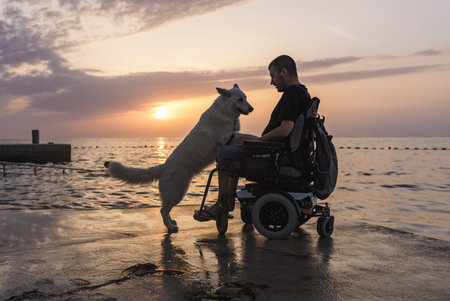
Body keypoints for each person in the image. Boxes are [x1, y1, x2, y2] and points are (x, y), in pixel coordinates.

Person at [194, 55, 311, 221]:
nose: (272, 82)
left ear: (284, 72)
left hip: (275, 155)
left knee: (222, 153)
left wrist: (258, 142)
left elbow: (285, 130)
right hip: (284, 151)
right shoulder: (303, 93)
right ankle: (227, 203)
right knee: (235, 147)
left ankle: (222, 204)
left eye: (273, 76)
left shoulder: (292, 93)